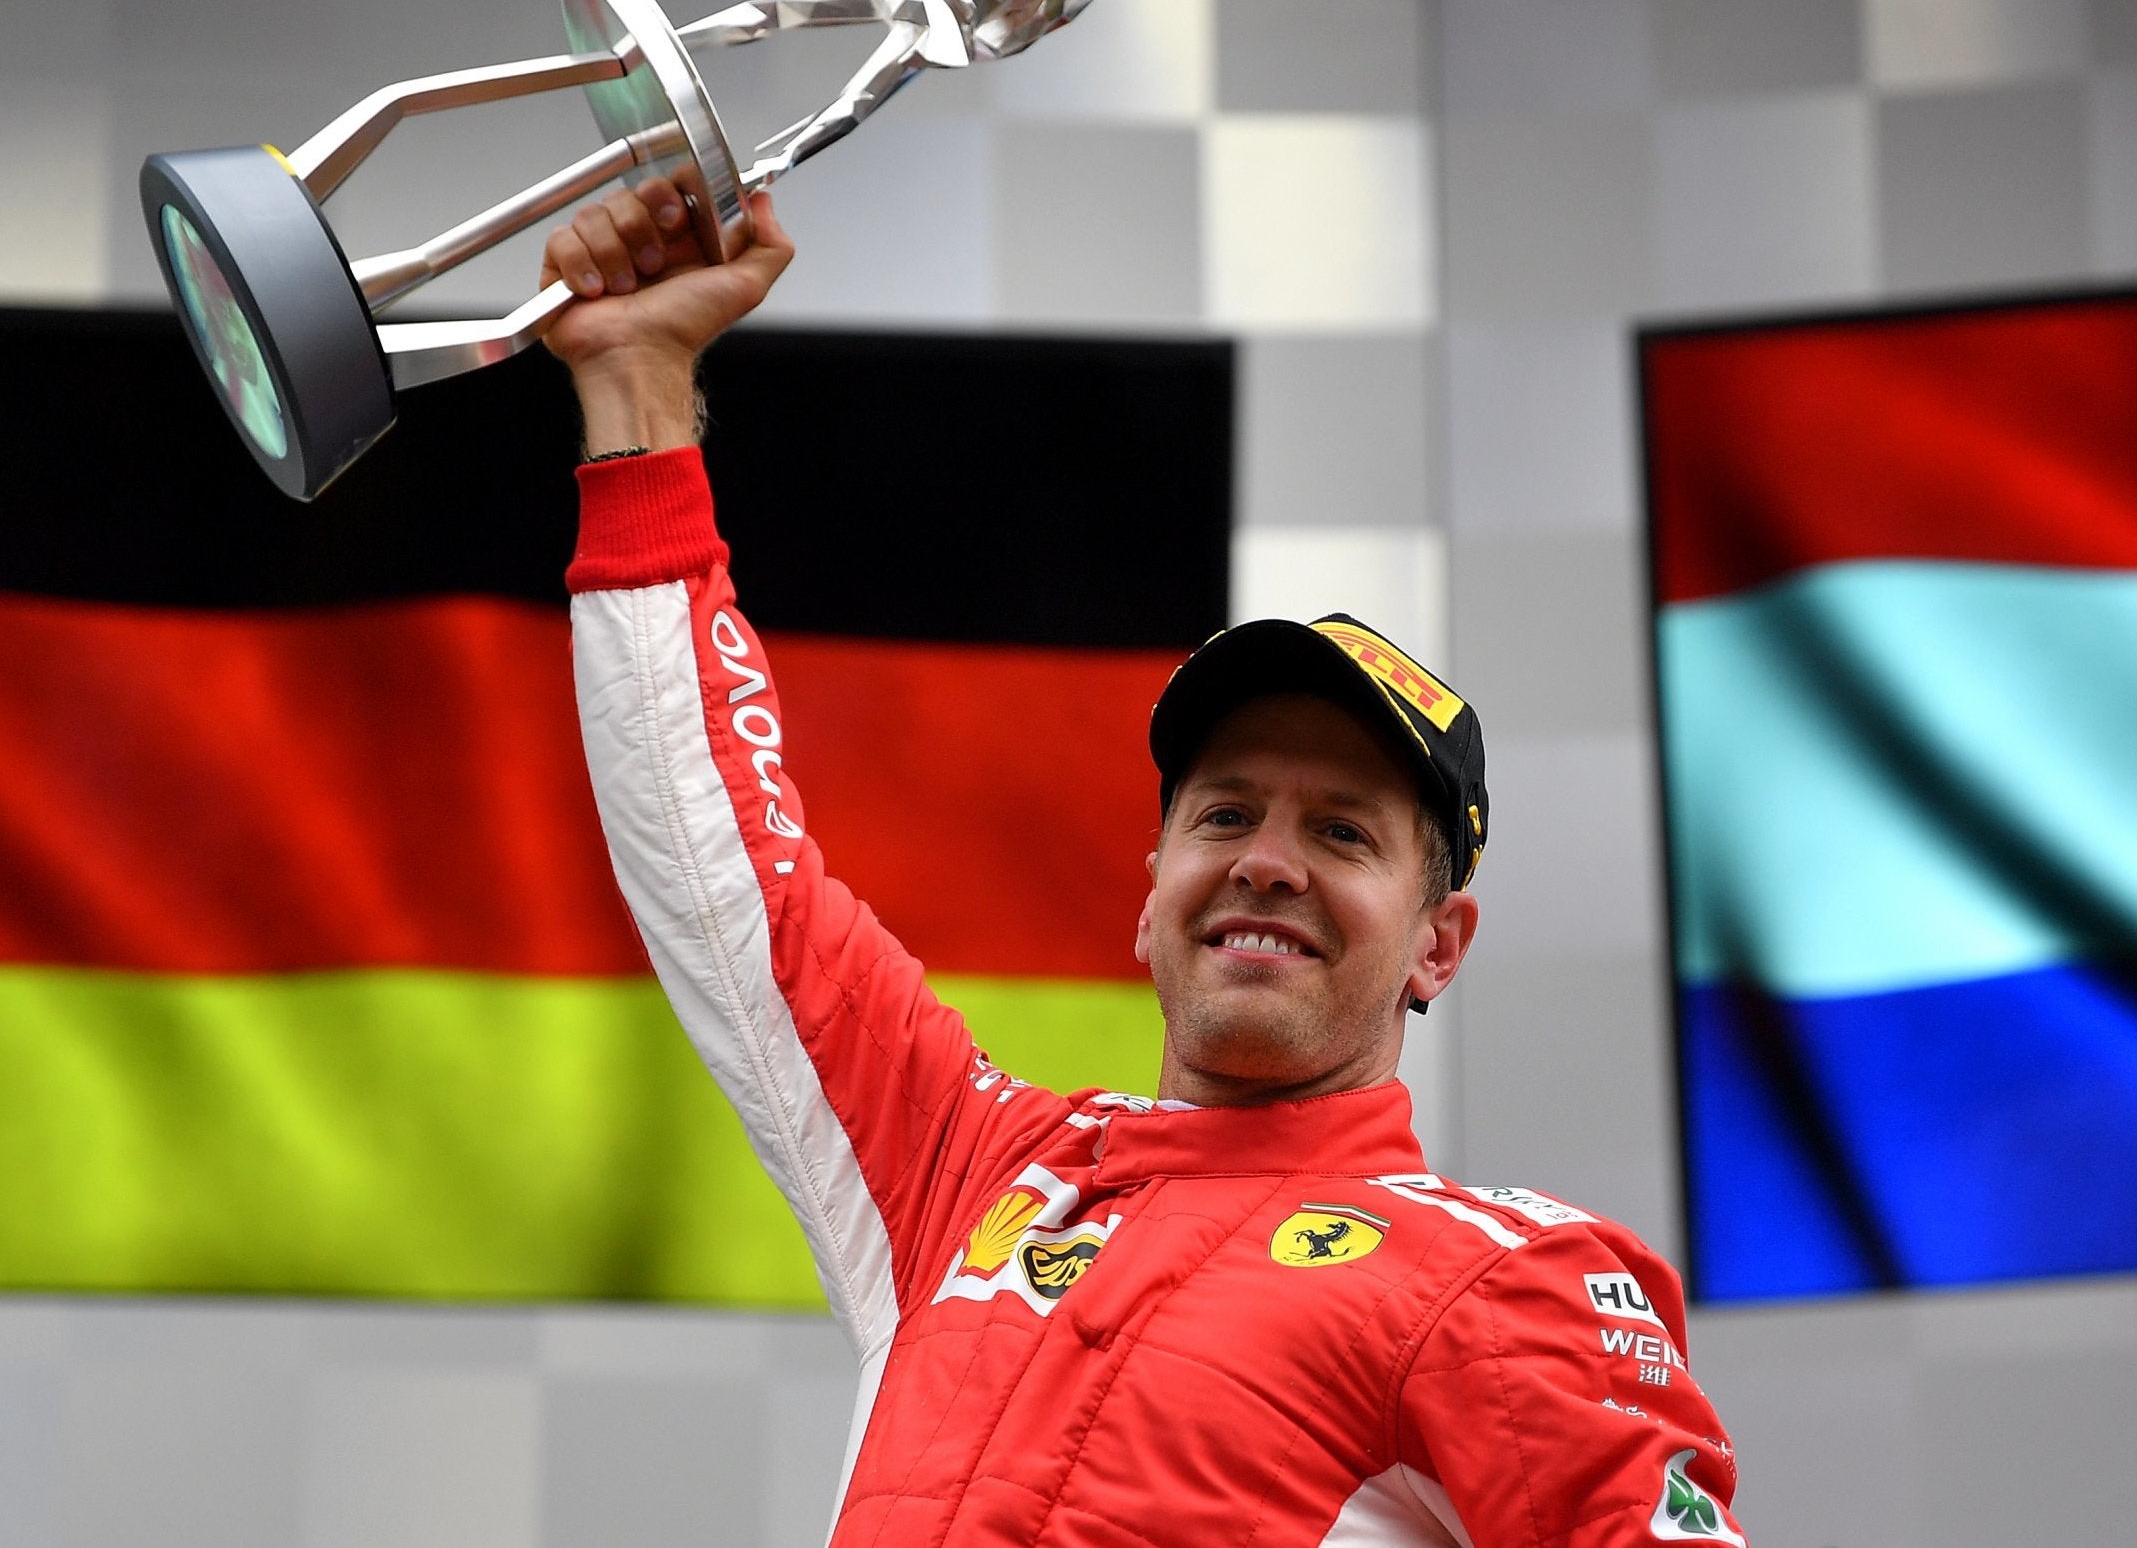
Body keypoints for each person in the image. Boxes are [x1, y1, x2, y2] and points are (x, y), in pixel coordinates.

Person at [543, 176, 1745, 1547]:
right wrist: (637, 391)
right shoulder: (974, 1173)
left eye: (1341, 831)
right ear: (1151, 886)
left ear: (1436, 942)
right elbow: (726, 877)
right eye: (1224, 814)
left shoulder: (1488, 1279)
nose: (1266, 863)